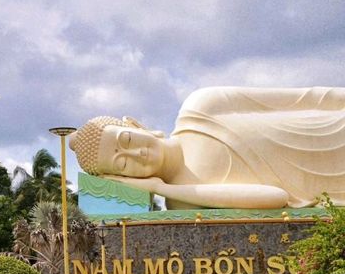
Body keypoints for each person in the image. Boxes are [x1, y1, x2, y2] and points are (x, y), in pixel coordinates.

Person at [69, 86, 345, 209]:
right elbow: (275, 197)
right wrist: (161, 189)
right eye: (123, 164)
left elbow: (302, 98)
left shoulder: (200, 107)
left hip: (331, 127)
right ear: (127, 180)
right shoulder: (182, 200)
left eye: (127, 140)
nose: (136, 153)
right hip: (330, 190)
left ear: (136, 125)